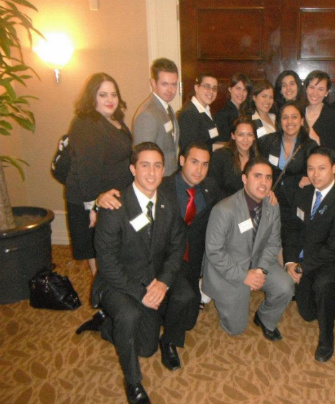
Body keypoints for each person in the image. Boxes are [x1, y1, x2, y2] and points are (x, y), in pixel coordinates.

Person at [92, 142, 193, 404]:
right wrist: (140, 293)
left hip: (153, 276)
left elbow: (176, 247)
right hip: (118, 281)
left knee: (148, 346)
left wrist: (163, 282)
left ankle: (108, 326)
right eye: (144, 165)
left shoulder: (167, 203)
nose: (151, 172)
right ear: (132, 169)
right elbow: (107, 264)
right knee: (129, 314)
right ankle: (133, 382)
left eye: (157, 166)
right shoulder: (114, 207)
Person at [202, 157, 295, 339]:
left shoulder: (272, 206)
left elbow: (273, 243)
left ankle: (264, 318)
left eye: (268, 177)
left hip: (258, 261)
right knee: (235, 328)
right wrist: (245, 276)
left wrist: (260, 270)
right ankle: (221, 298)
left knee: (285, 286)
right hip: (229, 269)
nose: (264, 182)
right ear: (244, 179)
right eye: (257, 176)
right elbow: (214, 252)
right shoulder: (224, 209)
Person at [284, 147, 335, 362]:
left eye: (322, 168)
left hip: (329, 259)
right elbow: (292, 229)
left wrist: (303, 266)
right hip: (305, 257)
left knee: (323, 286)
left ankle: (326, 340)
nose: (315, 174)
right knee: (307, 313)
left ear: (334, 169)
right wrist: (289, 261)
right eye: (311, 169)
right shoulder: (304, 193)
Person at [65, 72, 133, 277]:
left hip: (113, 196)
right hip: (94, 199)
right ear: (92, 97)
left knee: (113, 250)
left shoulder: (115, 120)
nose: (110, 100)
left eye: (114, 94)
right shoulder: (85, 123)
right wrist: (93, 207)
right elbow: (87, 172)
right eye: (103, 95)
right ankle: (103, 298)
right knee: (99, 252)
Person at [160, 142, 222, 321]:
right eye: (194, 162)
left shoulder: (210, 187)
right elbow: (135, 193)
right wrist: (102, 199)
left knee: (188, 319)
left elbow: (232, 203)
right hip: (164, 260)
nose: (199, 170)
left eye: (205, 164)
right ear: (182, 160)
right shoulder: (163, 188)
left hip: (192, 262)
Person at [258, 101, 318, 244]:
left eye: (294, 117)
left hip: (297, 200)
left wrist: (310, 178)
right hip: (272, 199)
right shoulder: (268, 141)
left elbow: (317, 169)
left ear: (302, 120)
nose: (289, 121)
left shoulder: (310, 145)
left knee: (292, 240)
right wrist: (265, 188)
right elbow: (259, 167)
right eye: (285, 117)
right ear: (279, 121)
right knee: (270, 239)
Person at [132, 58, 180, 176]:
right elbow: (144, 160)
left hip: (169, 176)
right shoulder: (147, 114)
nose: (170, 90)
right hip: (156, 179)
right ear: (153, 83)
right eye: (164, 84)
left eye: (173, 84)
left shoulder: (166, 107)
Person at [208, 116, 260, 197]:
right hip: (224, 205)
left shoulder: (258, 159)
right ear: (233, 135)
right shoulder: (220, 156)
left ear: (254, 137)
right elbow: (212, 187)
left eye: (249, 135)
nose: (245, 139)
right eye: (241, 135)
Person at [177, 73, 219, 152]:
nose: (211, 91)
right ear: (196, 87)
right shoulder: (189, 114)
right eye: (207, 87)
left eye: (214, 88)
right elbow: (189, 150)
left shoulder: (206, 110)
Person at [304, 70, 335, 151]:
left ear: (326, 93)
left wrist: (317, 139)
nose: (315, 93)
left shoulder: (334, 117)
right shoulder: (297, 112)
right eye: (312, 87)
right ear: (306, 89)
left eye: (320, 89)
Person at [215, 73, 252, 142]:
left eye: (245, 90)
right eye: (238, 88)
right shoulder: (222, 114)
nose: (241, 93)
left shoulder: (248, 112)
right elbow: (223, 141)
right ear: (230, 89)